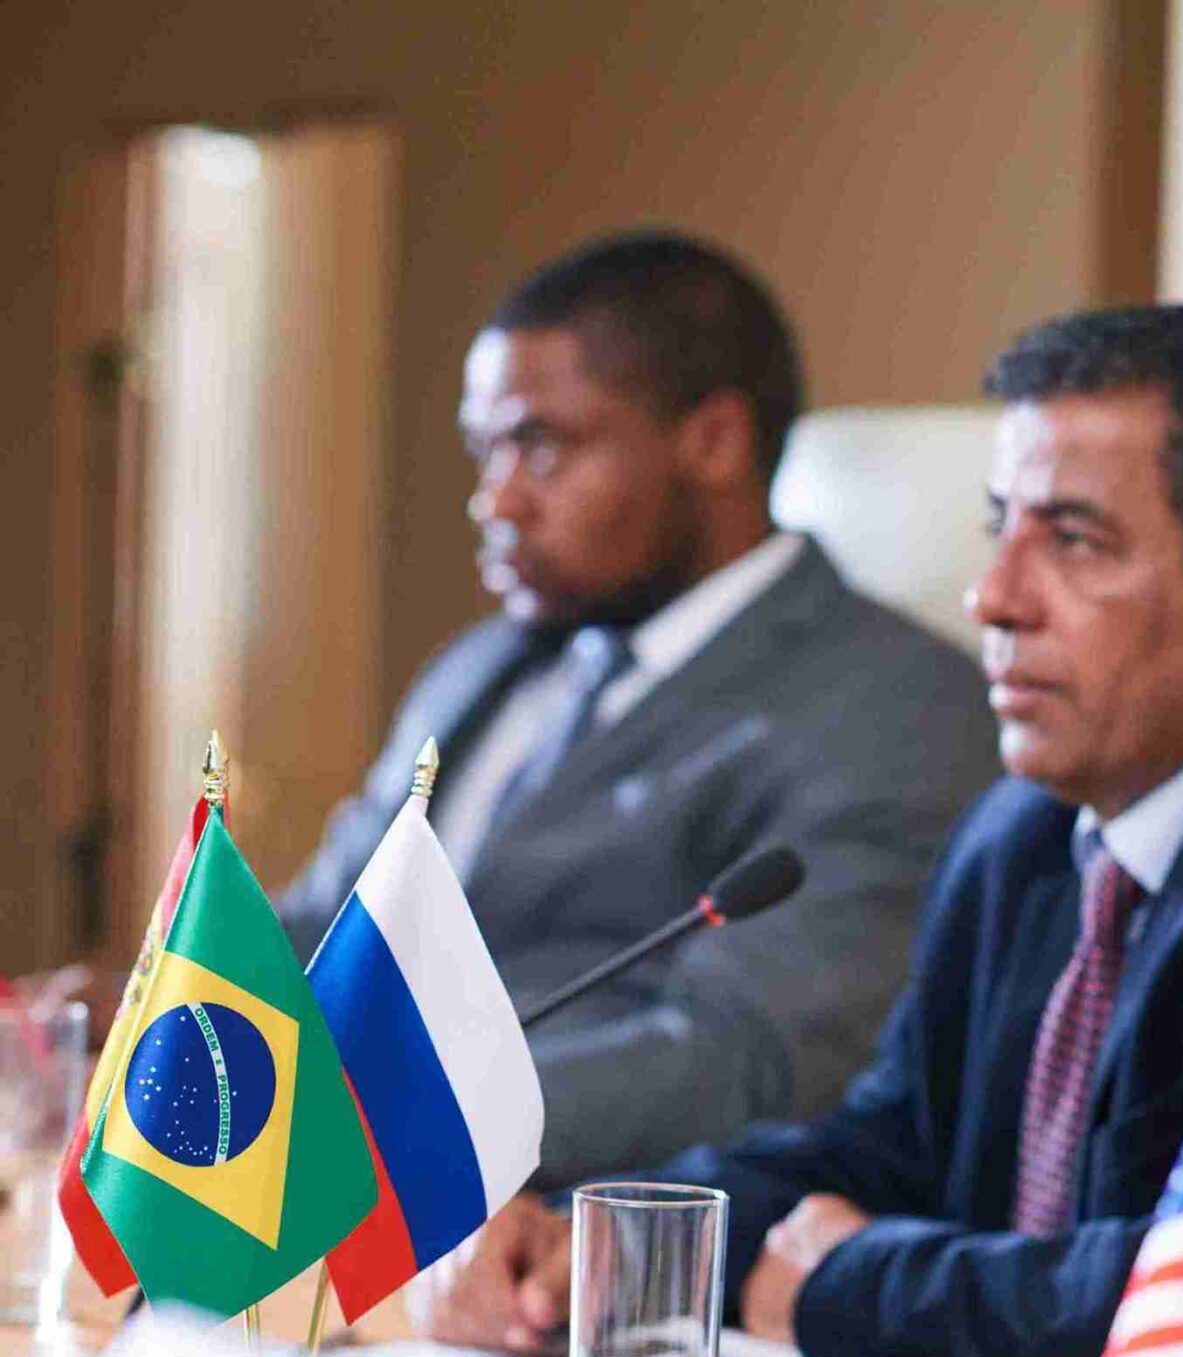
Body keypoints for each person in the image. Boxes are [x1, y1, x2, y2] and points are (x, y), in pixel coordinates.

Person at [418, 303, 1183, 1357]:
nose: (991, 597)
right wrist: (611, 1236)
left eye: (1073, 540)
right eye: (999, 526)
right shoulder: (1025, 829)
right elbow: (890, 1144)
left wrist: (850, 1287)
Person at [272, 231, 998, 1188]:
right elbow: (331, 923)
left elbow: (742, 1058)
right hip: (320, 1199)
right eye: (485, 452)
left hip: (561, 1227)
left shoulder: (900, 709)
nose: (495, 502)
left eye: (541, 447)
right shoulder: (479, 665)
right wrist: (160, 1010)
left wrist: (384, 1119)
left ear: (715, 441)